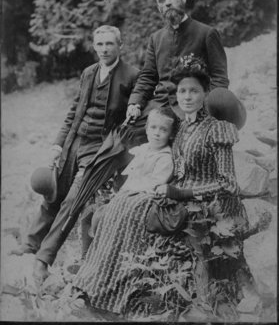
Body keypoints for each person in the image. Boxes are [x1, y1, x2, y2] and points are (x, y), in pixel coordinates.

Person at [72, 56, 252, 320]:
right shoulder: (180, 128)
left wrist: (181, 193)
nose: (187, 97)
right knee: (120, 205)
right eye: (182, 91)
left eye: (194, 91)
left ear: (205, 93)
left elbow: (228, 184)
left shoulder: (216, 129)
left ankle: (118, 297)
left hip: (206, 203)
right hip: (174, 196)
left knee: (132, 210)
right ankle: (92, 287)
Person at [12, 25, 139, 285]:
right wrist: (58, 145)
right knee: (54, 193)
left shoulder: (132, 76)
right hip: (75, 143)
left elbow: (137, 119)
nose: (104, 49)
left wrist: (121, 148)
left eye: (109, 44)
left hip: (101, 148)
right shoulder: (88, 73)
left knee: (73, 200)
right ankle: (31, 244)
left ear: (120, 46)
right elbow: (73, 112)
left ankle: (43, 260)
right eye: (100, 44)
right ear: (94, 46)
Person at [126, 0, 246, 131]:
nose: (167, 3)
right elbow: (148, 77)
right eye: (162, 0)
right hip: (161, 105)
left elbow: (219, 79)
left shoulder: (206, 33)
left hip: (195, 105)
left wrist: (204, 110)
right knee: (128, 131)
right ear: (159, 7)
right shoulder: (156, 38)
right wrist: (135, 103)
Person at [89, 107, 177, 237]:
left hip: (144, 200)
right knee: (94, 213)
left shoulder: (165, 157)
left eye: (163, 130)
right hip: (129, 194)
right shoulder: (143, 150)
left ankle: (106, 242)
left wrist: (127, 192)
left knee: (107, 216)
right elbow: (131, 176)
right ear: (146, 129)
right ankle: (90, 250)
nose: (157, 133)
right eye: (153, 127)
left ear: (171, 134)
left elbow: (154, 184)